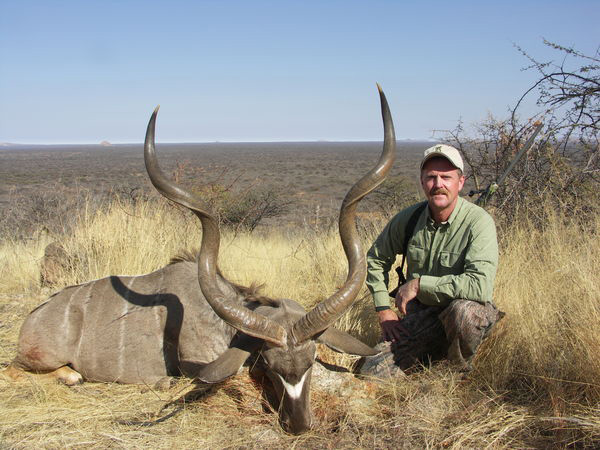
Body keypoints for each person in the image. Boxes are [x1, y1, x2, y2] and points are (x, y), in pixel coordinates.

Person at [361, 144, 503, 377]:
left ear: (461, 182)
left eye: (446, 177)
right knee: (372, 372)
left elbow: (480, 286)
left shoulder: (479, 222)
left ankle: (455, 373)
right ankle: (432, 355)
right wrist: (384, 310)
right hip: (423, 314)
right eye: (431, 177)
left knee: (464, 314)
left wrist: (418, 285)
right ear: (422, 181)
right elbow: (376, 259)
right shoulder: (409, 218)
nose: (438, 184)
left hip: (465, 313)